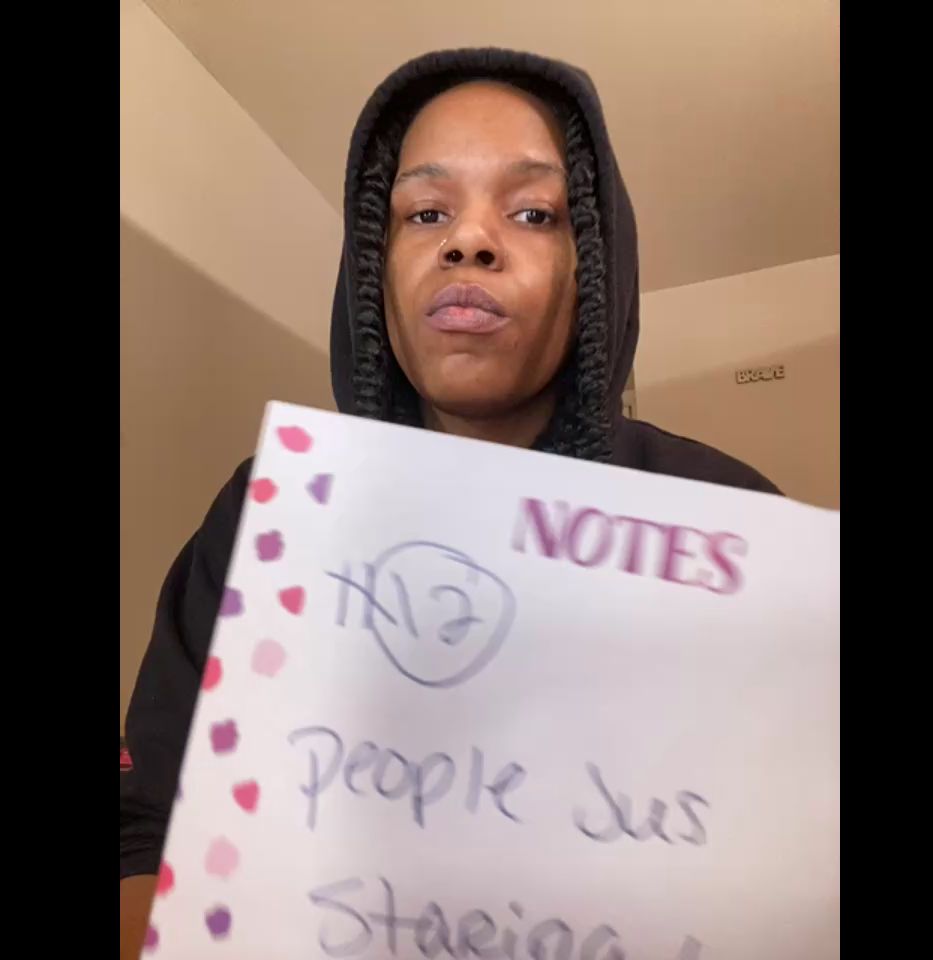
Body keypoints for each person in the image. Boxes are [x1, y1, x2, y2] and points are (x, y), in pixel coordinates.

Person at [119, 47, 779, 955]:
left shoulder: (725, 519)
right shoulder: (270, 516)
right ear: (374, 268)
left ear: (593, 265)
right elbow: (150, 823)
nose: (469, 241)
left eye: (533, 213)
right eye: (425, 212)